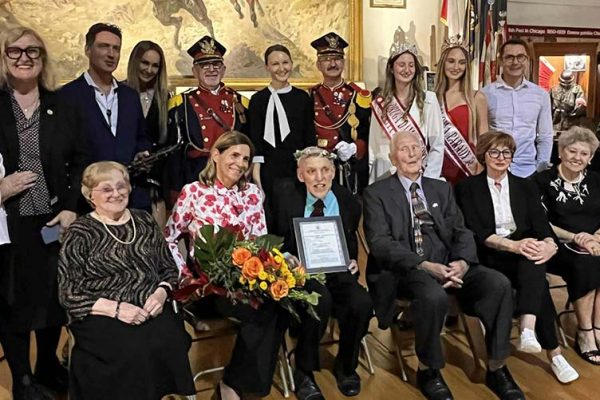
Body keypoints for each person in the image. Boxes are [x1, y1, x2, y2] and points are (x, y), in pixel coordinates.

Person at [363, 131, 524, 400]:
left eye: (416, 147)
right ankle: (429, 369)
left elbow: (461, 230)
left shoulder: (441, 188)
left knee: (498, 284)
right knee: (433, 295)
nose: (412, 153)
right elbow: (380, 244)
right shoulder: (376, 193)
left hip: (449, 262)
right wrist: (424, 265)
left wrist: (462, 262)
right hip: (408, 268)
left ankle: (497, 367)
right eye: (404, 149)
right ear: (392, 158)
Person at [0, 24, 87, 400]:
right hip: (8, 223)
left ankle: (47, 366)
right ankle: (21, 379)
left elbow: (81, 160)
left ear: (43, 58)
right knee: (12, 301)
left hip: (52, 220)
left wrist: (70, 208)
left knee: (53, 298)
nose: (24, 58)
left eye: (32, 51)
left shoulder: (62, 105)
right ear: (4, 58)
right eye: (15, 51)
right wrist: (0, 188)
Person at [57, 161, 194, 400]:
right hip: (100, 312)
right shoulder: (80, 232)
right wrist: (117, 309)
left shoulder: (144, 221)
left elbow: (168, 268)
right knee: (132, 349)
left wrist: (160, 293)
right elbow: (68, 292)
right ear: (90, 195)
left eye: (121, 186)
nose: (116, 193)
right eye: (106, 189)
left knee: (171, 339)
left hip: (149, 306)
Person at [165, 131, 286, 400]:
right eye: (234, 155)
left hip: (249, 279)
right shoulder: (193, 192)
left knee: (281, 303)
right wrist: (184, 276)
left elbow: (261, 241)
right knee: (263, 312)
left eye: (246, 159)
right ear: (216, 155)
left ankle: (233, 383)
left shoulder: (252, 194)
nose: (240, 164)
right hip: (208, 286)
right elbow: (169, 238)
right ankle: (243, 387)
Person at [455, 131, 578, 383]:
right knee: (537, 279)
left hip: (523, 253)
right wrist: (514, 246)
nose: (501, 157)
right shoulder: (467, 188)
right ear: (484, 155)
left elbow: (542, 225)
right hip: (490, 254)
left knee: (534, 258)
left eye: (506, 152)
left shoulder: (525, 186)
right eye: (494, 152)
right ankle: (552, 352)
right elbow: (477, 232)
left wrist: (549, 246)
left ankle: (529, 331)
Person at [270, 147, 373, 399]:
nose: (319, 178)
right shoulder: (284, 197)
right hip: (299, 272)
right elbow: (271, 238)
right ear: (300, 175)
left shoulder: (347, 200)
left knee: (361, 302)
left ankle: (346, 366)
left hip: (336, 269)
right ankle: (304, 370)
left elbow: (350, 237)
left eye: (325, 170)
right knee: (319, 300)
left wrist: (352, 260)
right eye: (312, 172)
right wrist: (284, 257)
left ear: (333, 172)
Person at [60, 22, 151, 210]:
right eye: (104, 46)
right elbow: (63, 153)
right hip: (86, 203)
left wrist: (141, 153)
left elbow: (141, 138)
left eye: (116, 48)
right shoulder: (66, 96)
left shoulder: (130, 96)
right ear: (87, 50)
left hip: (130, 199)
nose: (111, 54)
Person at [533, 126, 600, 366]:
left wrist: (596, 237)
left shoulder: (596, 180)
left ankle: (598, 327)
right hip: (556, 244)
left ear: (590, 158)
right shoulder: (542, 181)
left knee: (595, 257)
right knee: (586, 262)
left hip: (594, 242)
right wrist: (577, 237)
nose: (577, 157)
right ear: (560, 151)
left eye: (584, 153)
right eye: (572, 151)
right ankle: (585, 332)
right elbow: (541, 221)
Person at [166, 36, 248, 201]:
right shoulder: (180, 103)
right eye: (204, 65)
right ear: (194, 71)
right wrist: (175, 190)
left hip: (232, 176)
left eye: (216, 64)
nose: (211, 69)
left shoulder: (241, 103)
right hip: (195, 175)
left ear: (223, 69)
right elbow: (174, 152)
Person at [248, 44, 316, 208]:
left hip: (297, 171)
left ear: (291, 64)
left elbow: (309, 139)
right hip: (268, 173)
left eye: (285, 62)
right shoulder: (258, 100)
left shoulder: (302, 98)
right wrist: (257, 183)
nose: (281, 68)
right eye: (275, 64)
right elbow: (255, 143)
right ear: (267, 67)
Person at [369, 41, 444, 183]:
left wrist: (429, 180)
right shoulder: (380, 103)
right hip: (386, 176)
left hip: (419, 175)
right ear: (392, 68)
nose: (407, 70)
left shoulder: (428, 100)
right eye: (401, 65)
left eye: (411, 65)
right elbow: (373, 147)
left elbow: (437, 145)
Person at [309, 32, 372, 194]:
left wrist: (354, 148)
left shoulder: (358, 95)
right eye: (326, 59)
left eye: (337, 59)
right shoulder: (310, 96)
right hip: (318, 170)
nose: (332, 63)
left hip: (347, 169)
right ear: (318, 65)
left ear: (343, 63)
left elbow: (368, 134)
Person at [481, 38, 553, 178]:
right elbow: (481, 136)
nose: (515, 62)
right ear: (501, 61)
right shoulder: (485, 94)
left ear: (527, 60)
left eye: (520, 57)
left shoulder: (541, 95)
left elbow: (545, 136)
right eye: (509, 57)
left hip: (528, 171)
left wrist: (541, 168)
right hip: (494, 169)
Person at [126, 40, 171, 224]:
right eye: (145, 63)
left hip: (156, 185)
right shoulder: (118, 93)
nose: (149, 70)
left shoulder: (166, 97)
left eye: (155, 66)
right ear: (135, 62)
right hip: (124, 181)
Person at [434, 35, 488, 185]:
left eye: (462, 62)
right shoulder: (433, 98)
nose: (456, 67)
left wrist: (482, 165)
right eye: (451, 61)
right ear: (443, 63)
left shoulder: (477, 97)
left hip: (467, 165)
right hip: (437, 165)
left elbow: (484, 137)